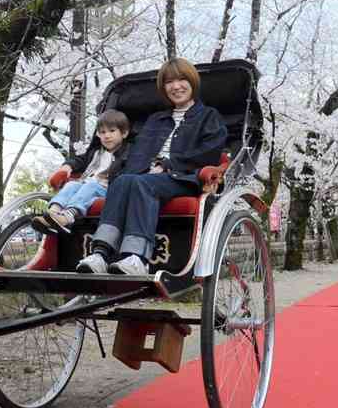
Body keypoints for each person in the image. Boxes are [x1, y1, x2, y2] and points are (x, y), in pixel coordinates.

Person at [76, 57, 227, 275]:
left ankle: (136, 257)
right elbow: (138, 152)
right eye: (169, 82)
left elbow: (209, 152)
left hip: (184, 177)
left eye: (182, 79)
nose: (176, 86)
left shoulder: (209, 116)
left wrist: (168, 164)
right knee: (124, 180)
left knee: (141, 183)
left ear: (192, 81)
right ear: (164, 87)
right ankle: (100, 253)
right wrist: (129, 173)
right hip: (147, 177)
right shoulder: (156, 119)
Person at [32, 110, 131, 234]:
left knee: (90, 185)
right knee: (71, 185)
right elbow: (79, 160)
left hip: (108, 188)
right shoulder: (95, 152)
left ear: (124, 133)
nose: (107, 136)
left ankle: (68, 216)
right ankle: (53, 212)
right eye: (102, 132)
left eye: (112, 131)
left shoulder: (127, 153)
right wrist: (66, 168)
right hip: (87, 184)